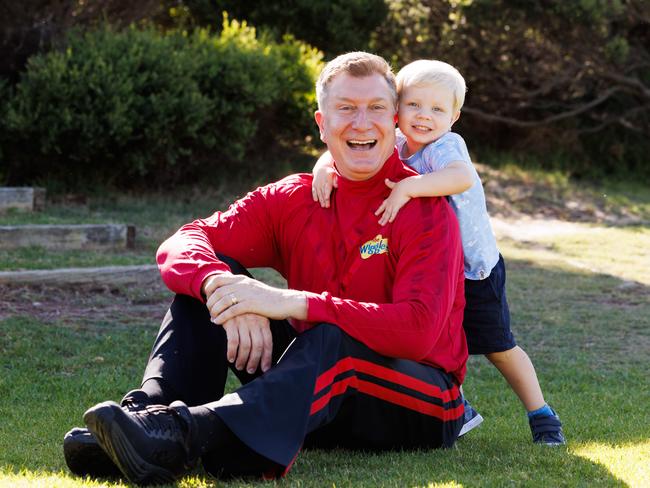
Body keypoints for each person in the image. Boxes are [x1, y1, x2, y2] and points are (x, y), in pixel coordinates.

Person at [63, 52, 469, 485]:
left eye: (376, 109)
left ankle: (183, 433)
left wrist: (286, 302)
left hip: (421, 399)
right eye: (346, 109)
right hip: (314, 388)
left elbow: (417, 331)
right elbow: (185, 240)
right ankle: (149, 417)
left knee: (333, 337)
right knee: (211, 279)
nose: (362, 123)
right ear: (321, 123)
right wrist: (224, 288)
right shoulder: (294, 197)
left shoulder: (426, 208)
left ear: (395, 121)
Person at [312, 59, 565, 445]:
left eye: (437, 109)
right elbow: (340, 148)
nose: (424, 117)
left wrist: (409, 188)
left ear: (454, 116)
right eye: (414, 105)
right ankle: (457, 405)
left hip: (473, 272)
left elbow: (461, 178)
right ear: (397, 110)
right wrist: (321, 167)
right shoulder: (395, 143)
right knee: (429, 342)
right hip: (431, 271)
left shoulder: (447, 147)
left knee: (498, 347)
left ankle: (541, 414)